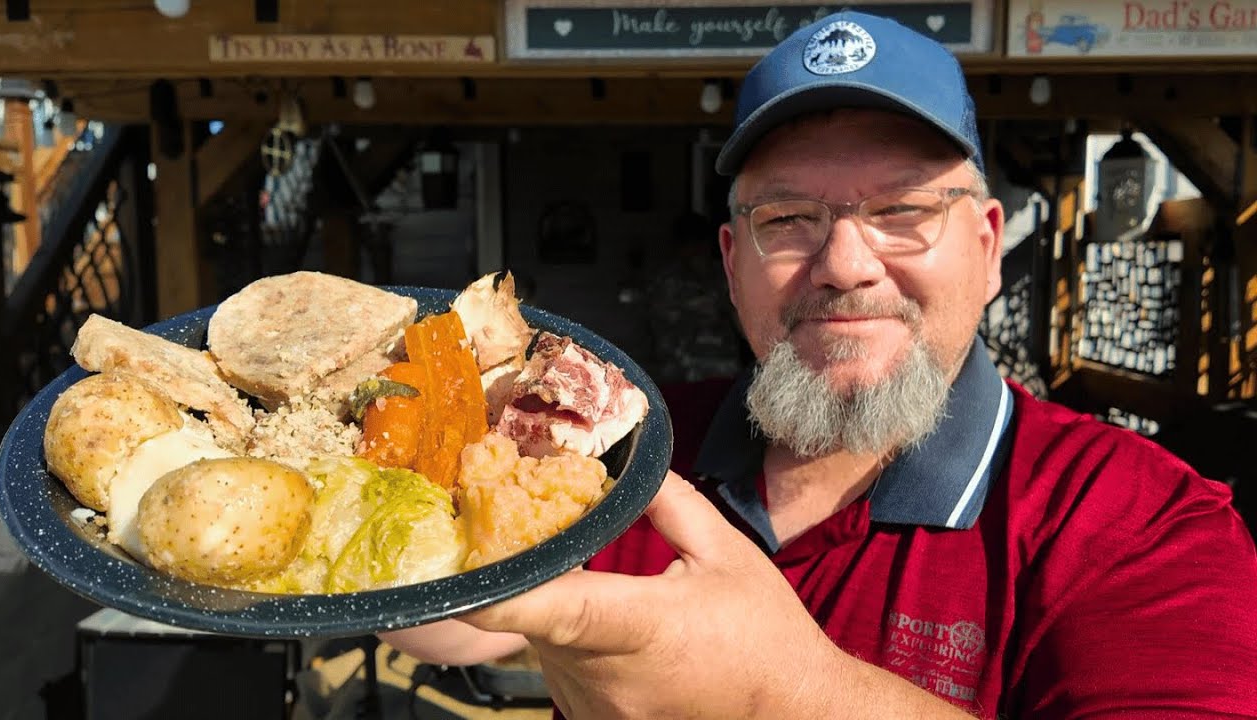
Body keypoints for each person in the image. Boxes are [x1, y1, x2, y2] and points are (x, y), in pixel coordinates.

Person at [383, 10, 1257, 717]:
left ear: (989, 248)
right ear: (733, 264)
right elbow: (464, 628)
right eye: (789, 218)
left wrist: (783, 693)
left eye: (903, 209)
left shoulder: (1139, 522)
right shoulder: (633, 445)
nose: (844, 263)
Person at [643, 211, 745, 384]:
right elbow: (656, 328)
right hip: (679, 373)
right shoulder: (667, 282)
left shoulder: (723, 276)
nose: (695, 251)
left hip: (722, 371)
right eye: (690, 245)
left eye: (699, 244)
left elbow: (740, 320)